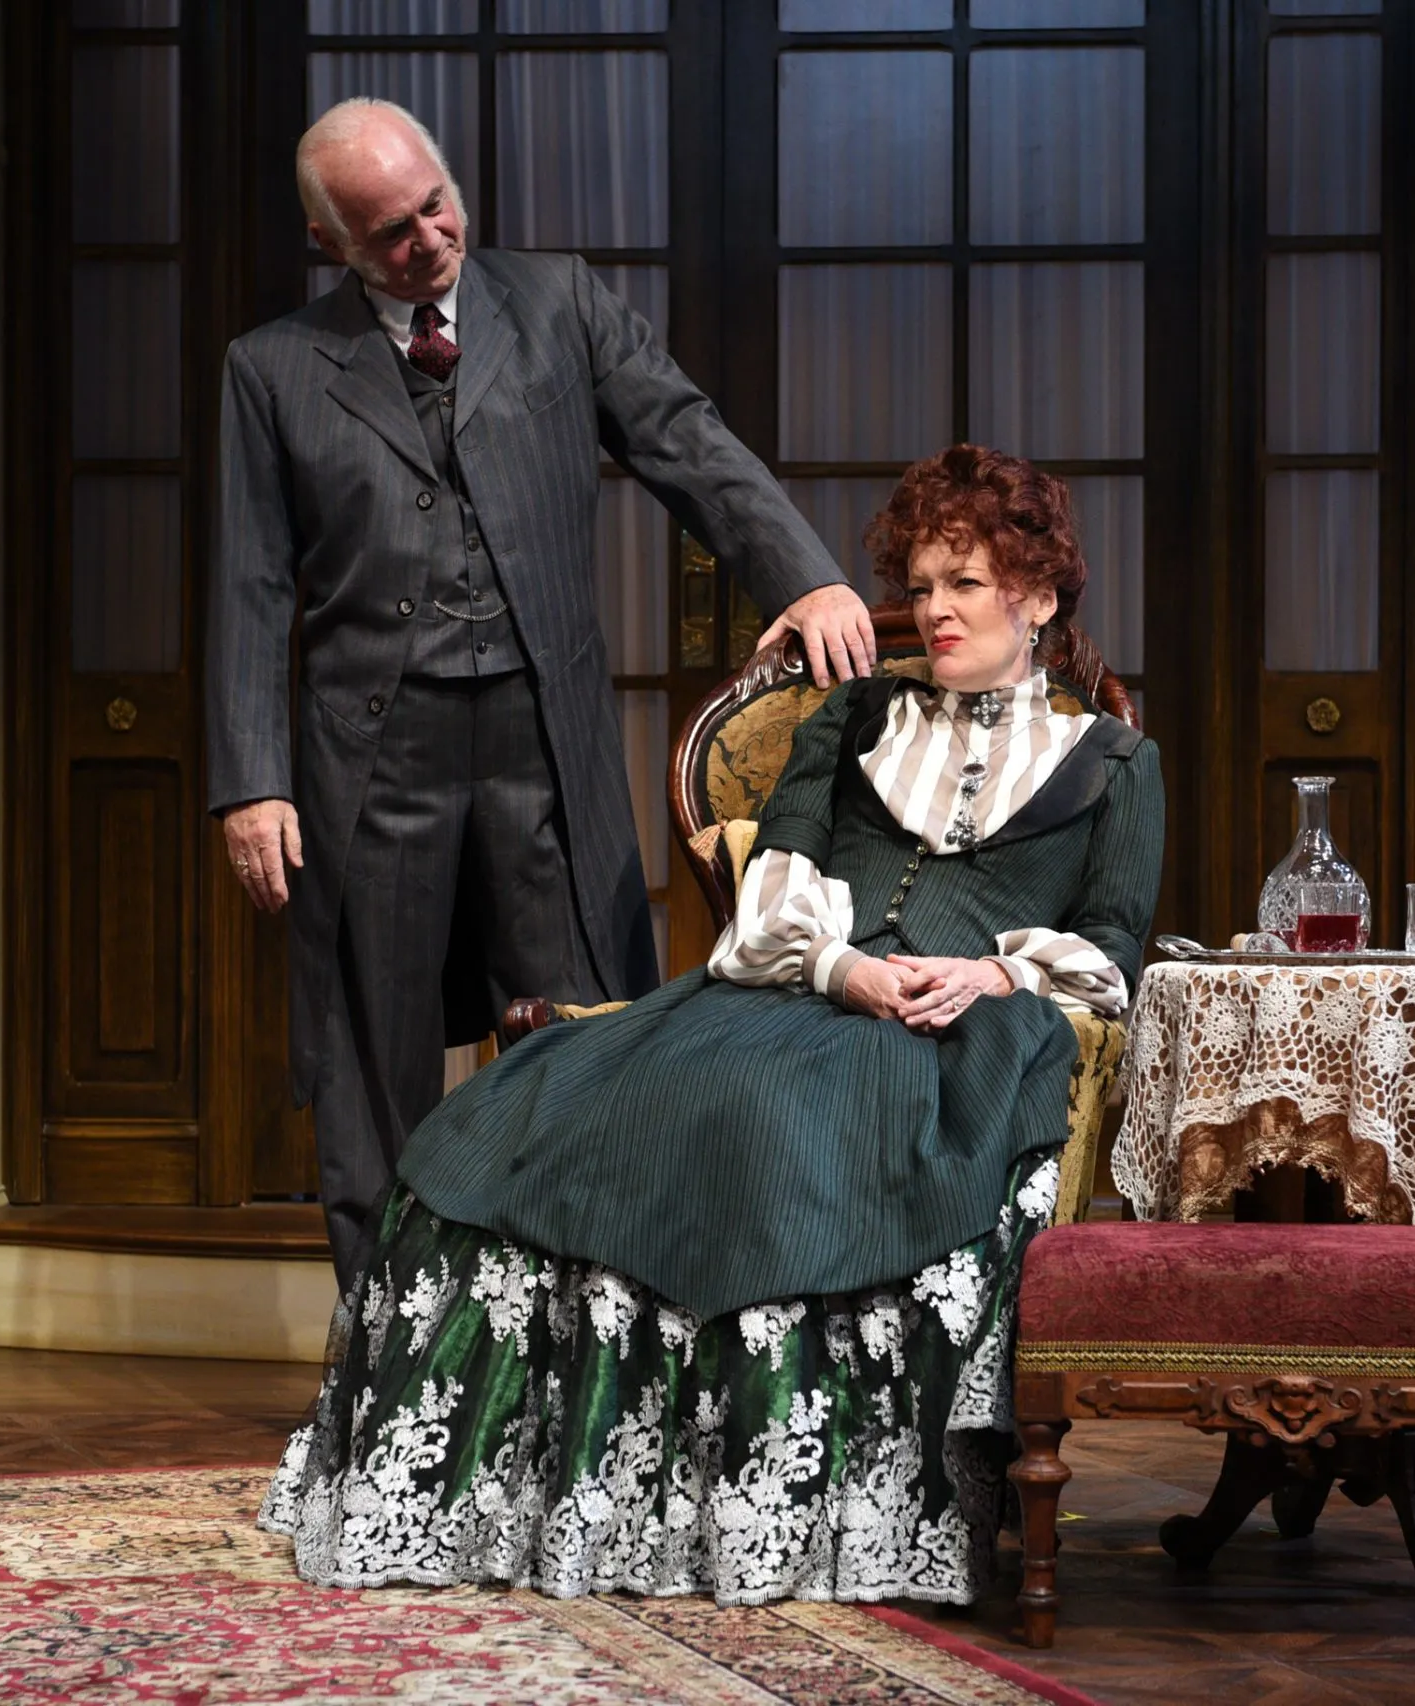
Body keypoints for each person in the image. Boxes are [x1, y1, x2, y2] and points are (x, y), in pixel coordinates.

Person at [260, 445, 1165, 1605]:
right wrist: (842, 968)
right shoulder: (852, 718)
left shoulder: (1115, 764)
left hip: (964, 1033)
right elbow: (773, 890)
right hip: (795, 990)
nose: (933, 609)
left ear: (1036, 596)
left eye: (966, 583)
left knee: (781, 1111)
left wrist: (988, 974)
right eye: (921, 583)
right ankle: (528, 1489)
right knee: (518, 1101)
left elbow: (1111, 952)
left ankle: (772, 1500)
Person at [210, 99, 877, 1286]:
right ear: (332, 245)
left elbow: (684, 439)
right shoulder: (272, 370)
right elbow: (251, 582)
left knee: (582, 1033)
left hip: (541, 741)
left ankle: (580, 1325)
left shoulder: (558, 301)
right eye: (391, 232)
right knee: (373, 1064)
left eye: (435, 205)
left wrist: (807, 576)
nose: (428, 238)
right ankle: (389, 1339)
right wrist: (252, 780)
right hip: (375, 759)